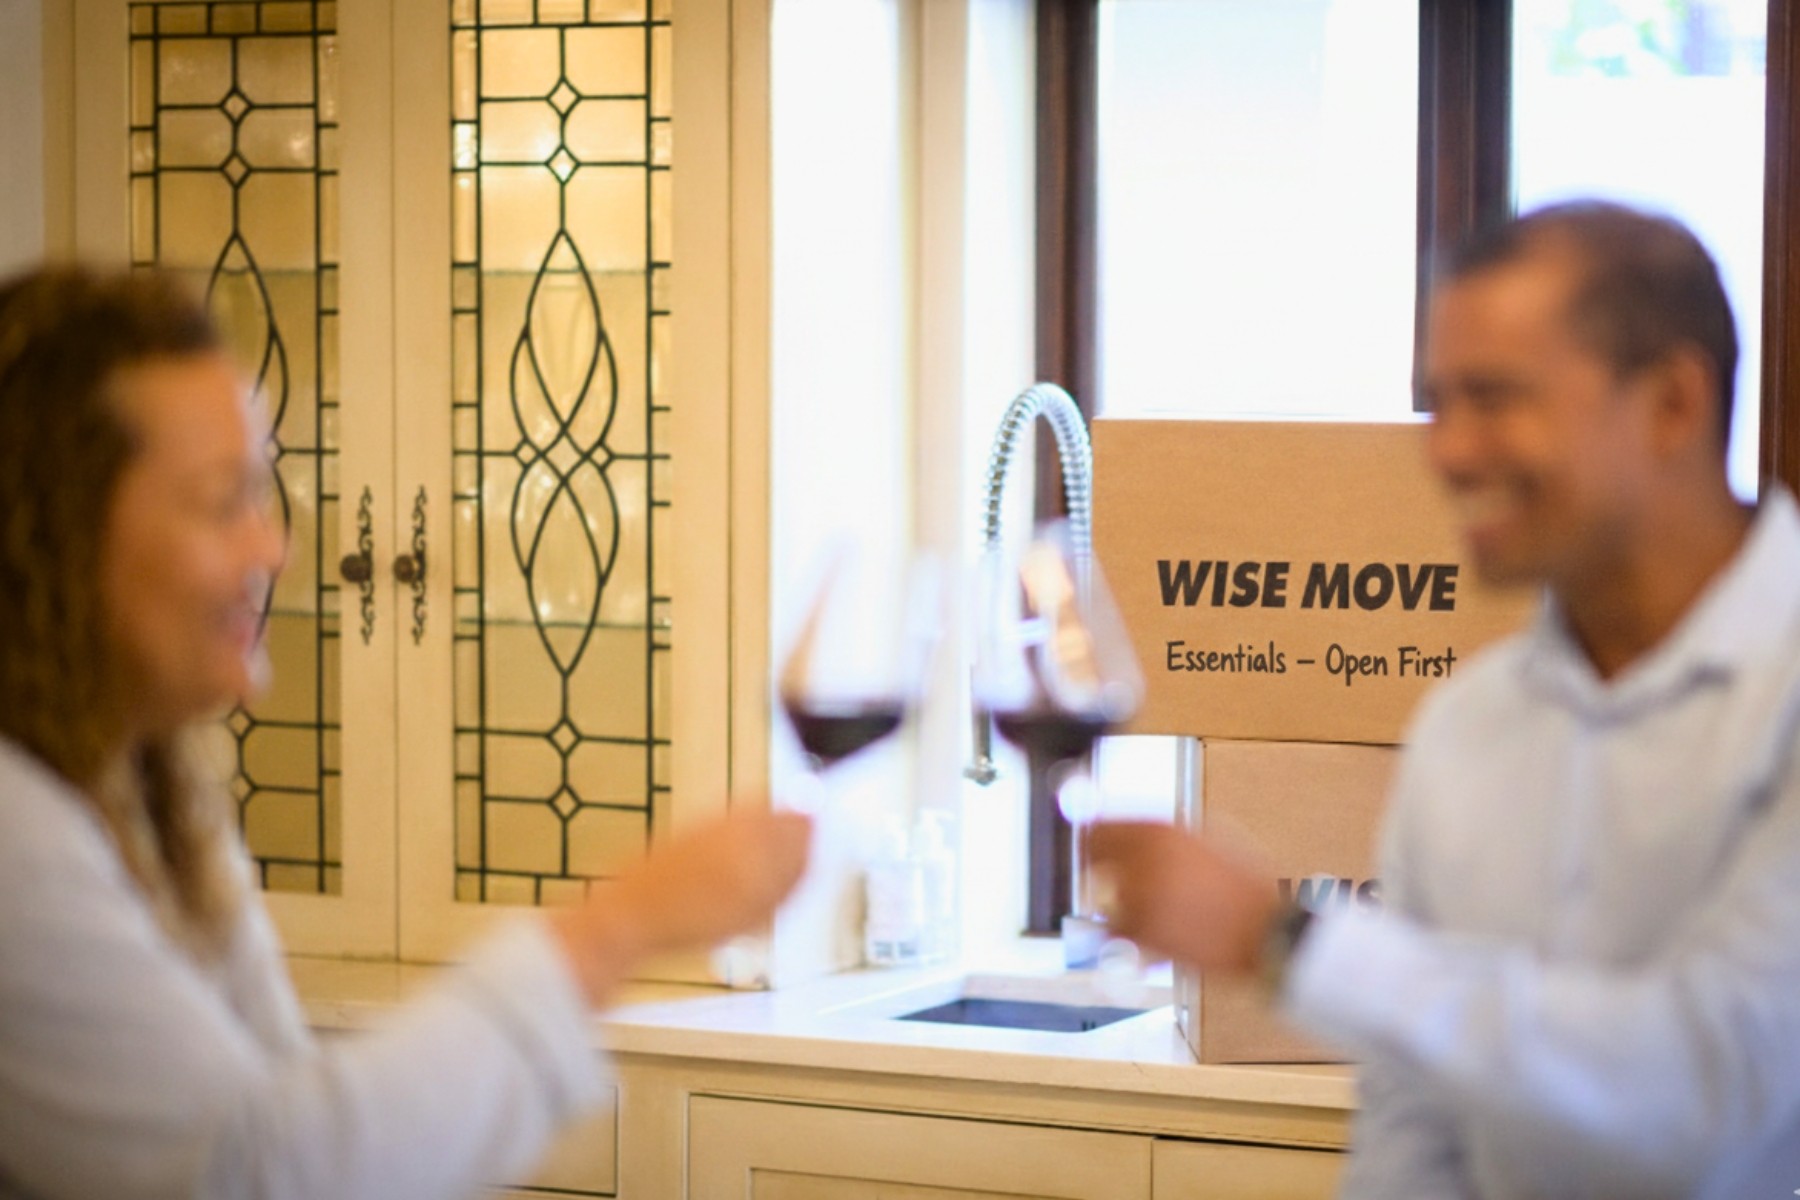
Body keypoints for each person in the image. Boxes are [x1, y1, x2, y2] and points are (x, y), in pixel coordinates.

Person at [0, 265, 813, 1199]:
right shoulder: (14, 834)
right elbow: (253, 1176)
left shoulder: (155, 793)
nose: (274, 547)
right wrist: (616, 925)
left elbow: (288, 1118)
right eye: (223, 501)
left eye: (264, 496)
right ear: (56, 533)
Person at [1090, 201, 1800, 1199]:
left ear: (1674, 405)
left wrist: (1286, 944)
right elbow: (1414, 1117)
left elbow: (1708, 1088)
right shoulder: (1469, 727)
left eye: (1497, 398)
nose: (1451, 452)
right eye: (1441, 402)